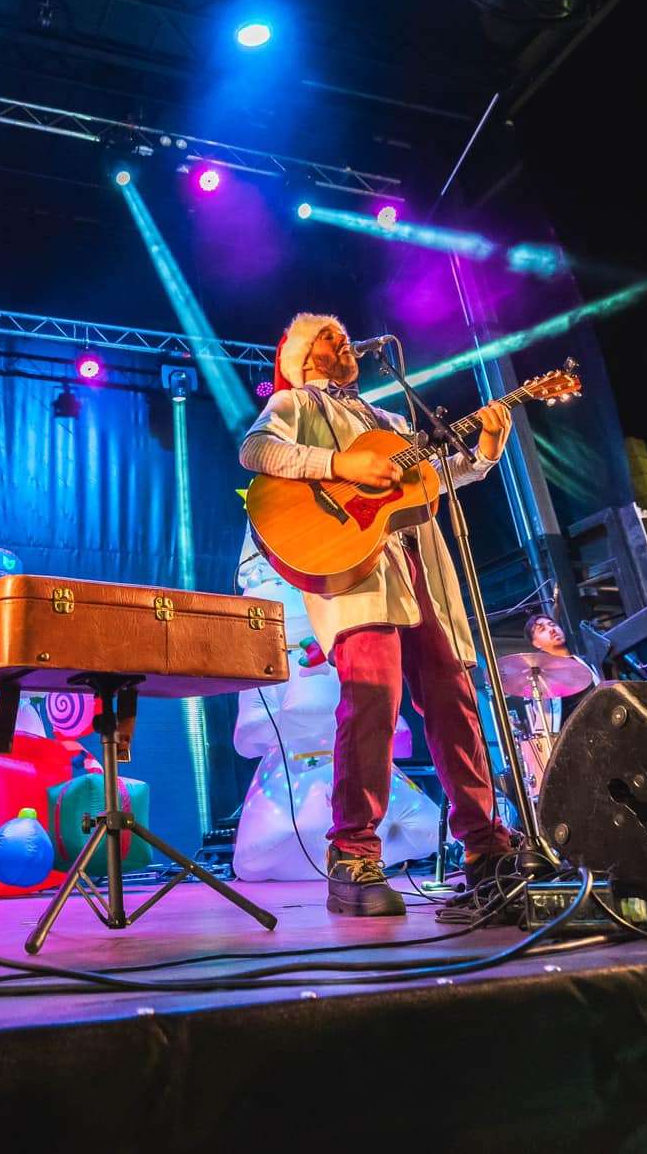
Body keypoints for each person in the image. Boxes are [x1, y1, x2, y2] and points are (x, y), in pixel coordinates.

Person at [239, 314, 523, 916]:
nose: (344, 342)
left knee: (454, 702)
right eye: (328, 337)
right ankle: (352, 855)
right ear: (301, 356)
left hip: (417, 571)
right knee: (372, 699)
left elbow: (428, 482)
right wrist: (341, 466)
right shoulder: (295, 404)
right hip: (358, 575)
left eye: (343, 335)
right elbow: (256, 450)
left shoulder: (389, 421)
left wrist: (485, 453)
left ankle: (484, 848)